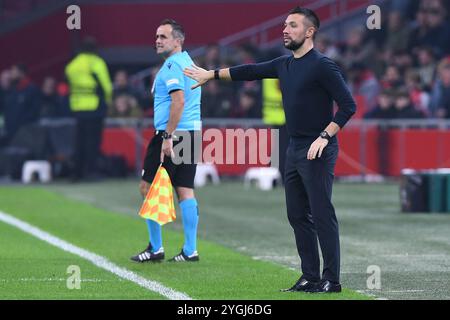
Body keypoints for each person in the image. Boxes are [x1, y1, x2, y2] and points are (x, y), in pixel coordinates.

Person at [184, 7, 356, 293]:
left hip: (318, 148)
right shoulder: (283, 64)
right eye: (285, 25)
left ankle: (331, 280)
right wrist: (211, 74)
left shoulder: (323, 66)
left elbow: (349, 106)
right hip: (293, 147)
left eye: (293, 25)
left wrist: (325, 136)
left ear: (310, 32)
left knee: (321, 212)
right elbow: (249, 71)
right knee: (297, 214)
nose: (285, 30)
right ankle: (310, 276)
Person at [130, 19, 201, 263]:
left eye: (163, 36)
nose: (157, 41)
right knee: (184, 190)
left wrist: (168, 136)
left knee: (147, 187)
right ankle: (190, 250)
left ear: (178, 41)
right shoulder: (189, 63)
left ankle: (155, 248)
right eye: (157, 36)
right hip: (191, 133)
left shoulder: (172, 65)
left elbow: (178, 101)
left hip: (172, 134)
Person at [65, 36, 113, 181]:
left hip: (77, 107)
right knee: (93, 142)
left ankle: (77, 172)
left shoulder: (72, 65)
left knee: (79, 141)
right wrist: (108, 102)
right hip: (94, 106)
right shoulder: (95, 62)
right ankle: (90, 172)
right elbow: (106, 86)